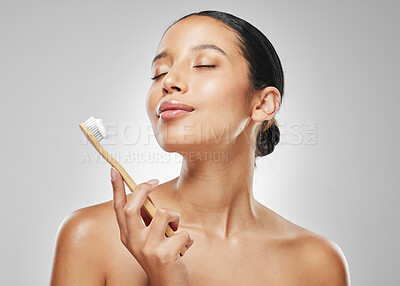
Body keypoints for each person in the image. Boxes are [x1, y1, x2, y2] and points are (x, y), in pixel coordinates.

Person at [50, 10, 350, 285]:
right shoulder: (91, 236)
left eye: (205, 64)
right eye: (159, 72)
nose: (169, 81)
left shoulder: (316, 262)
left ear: (262, 104)